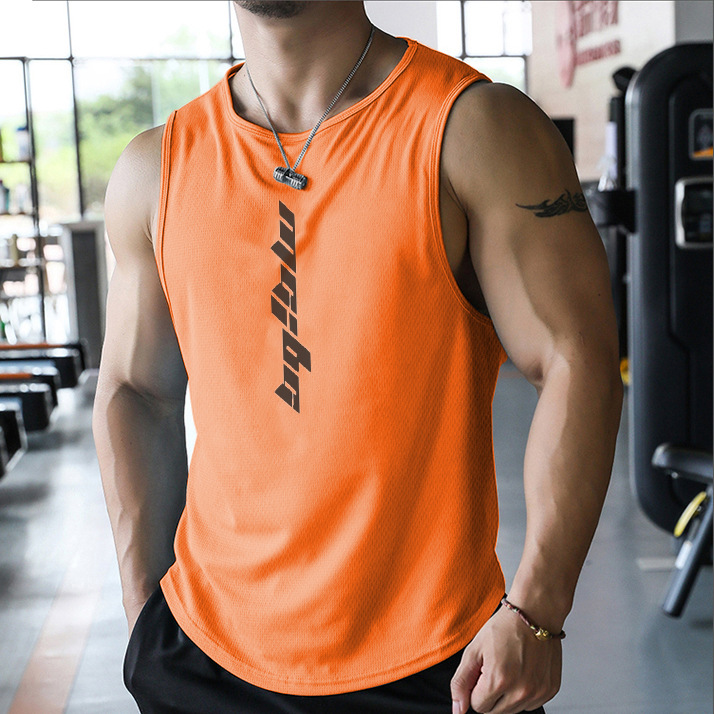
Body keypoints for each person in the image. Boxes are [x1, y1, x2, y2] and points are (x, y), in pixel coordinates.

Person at [92, 2, 623, 713]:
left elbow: (575, 357)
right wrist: (144, 617)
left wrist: (537, 610)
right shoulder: (156, 167)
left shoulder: (474, 129)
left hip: (438, 669)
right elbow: (136, 389)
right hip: (203, 656)